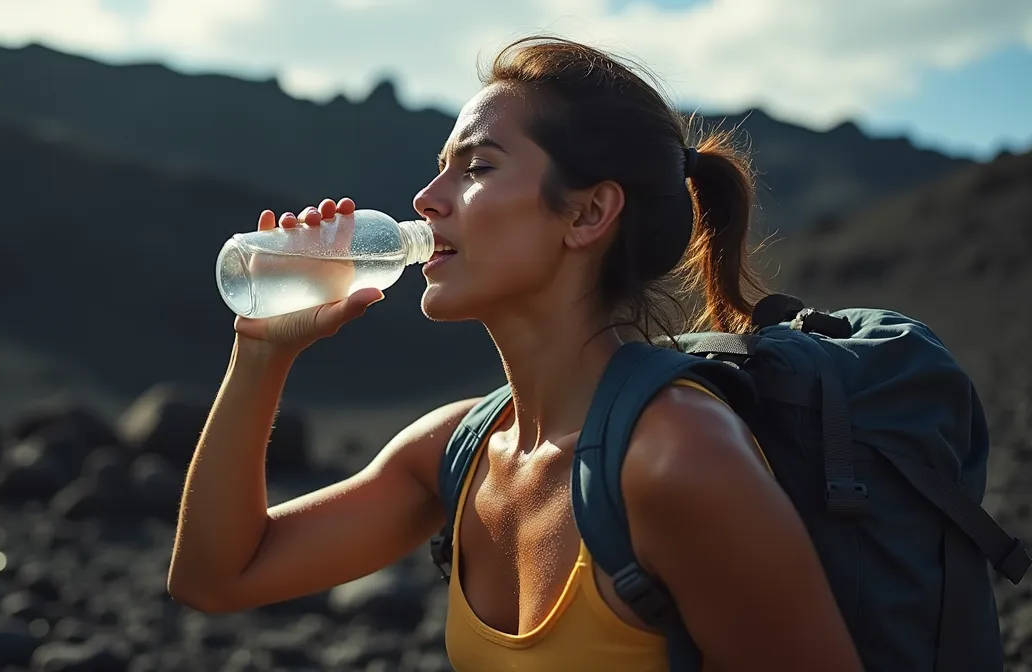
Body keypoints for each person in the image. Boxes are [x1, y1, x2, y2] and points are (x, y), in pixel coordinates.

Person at [167, 35, 863, 672]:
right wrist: (260, 352)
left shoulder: (679, 458)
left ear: (588, 214)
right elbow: (215, 579)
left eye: (476, 167)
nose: (425, 199)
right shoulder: (460, 449)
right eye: (440, 168)